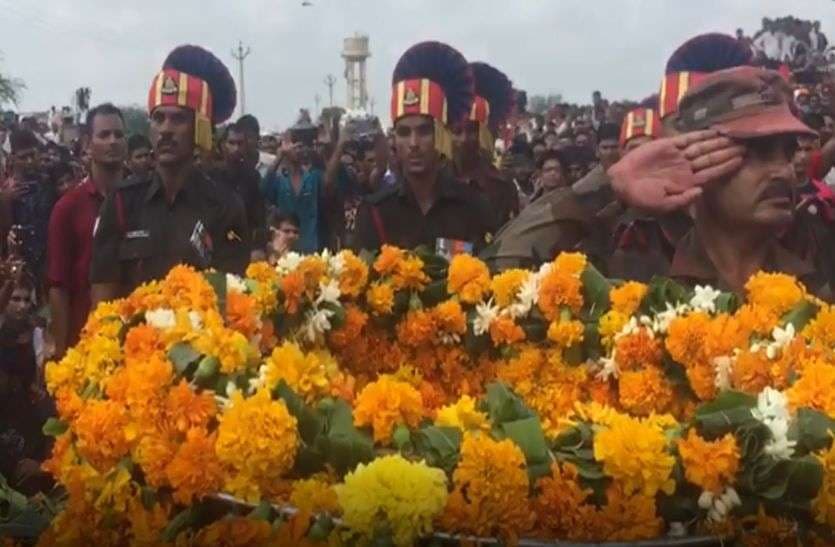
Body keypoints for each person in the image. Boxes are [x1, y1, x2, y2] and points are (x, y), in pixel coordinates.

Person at [90, 45, 249, 304]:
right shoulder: (121, 202)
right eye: (158, 118)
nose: (165, 130)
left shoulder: (226, 207)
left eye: (178, 119)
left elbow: (232, 300)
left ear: (200, 129)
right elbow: (102, 301)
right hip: (131, 341)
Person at [664, 66, 828, 295]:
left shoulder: (820, 271)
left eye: (789, 153)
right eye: (760, 152)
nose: (784, 171)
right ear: (699, 155)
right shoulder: (645, 272)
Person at [353, 41, 495, 253]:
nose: (413, 144)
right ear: (394, 140)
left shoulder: (473, 207)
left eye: (424, 131)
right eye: (404, 133)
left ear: (441, 135)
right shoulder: (375, 212)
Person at [47, 104, 126, 358]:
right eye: (104, 135)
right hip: (85, 346)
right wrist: (63, 352)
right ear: (87, 143)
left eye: (118, 134)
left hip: (136, 342)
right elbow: (58, 286)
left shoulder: (142, 200)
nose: (113, 141)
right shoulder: (67, 208)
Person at [0, 275, 54, 495]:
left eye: (25, 299)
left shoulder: (38, 336)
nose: (21, 306)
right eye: (15, 299)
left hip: (23, 421)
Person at [452, 61, 519, 228]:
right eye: (457, 131)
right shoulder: (433, 181)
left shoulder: (502, 187)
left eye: (473, 131)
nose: (465, 139)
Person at [0, 129, 57, 282]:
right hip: (20, 264)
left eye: (32, 155)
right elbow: (5, 233)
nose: (30, 161)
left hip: (50, 258)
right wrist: (5, 201)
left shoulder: (51, 181)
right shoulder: (5, 192)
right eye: (23, 157)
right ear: (12, 158)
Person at [211, 122, 268, 259]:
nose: (236, 148)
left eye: (240, 143)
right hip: (217, 246)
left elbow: (259, 217)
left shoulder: (252, 176)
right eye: (232, 143)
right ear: (222, 145)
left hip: (244, 246)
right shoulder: (211, 176)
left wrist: (258, 247)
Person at [263, 137, 328, 253]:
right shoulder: (280, 180)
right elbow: (263, 189)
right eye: (295, 146)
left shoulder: (313, 177)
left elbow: (329, 181)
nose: (298, 150)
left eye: (301, 147)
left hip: (310, 246)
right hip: (283, 247)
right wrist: (279, 156)